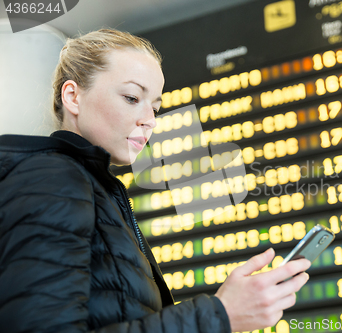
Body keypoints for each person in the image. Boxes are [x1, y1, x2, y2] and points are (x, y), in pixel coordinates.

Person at [0, 29, 311, 333]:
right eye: (132, 97)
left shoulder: (96, 192)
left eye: (156, 107)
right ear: (73, 96)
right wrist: (220, 314)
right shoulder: (53, 177)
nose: (149, 119)